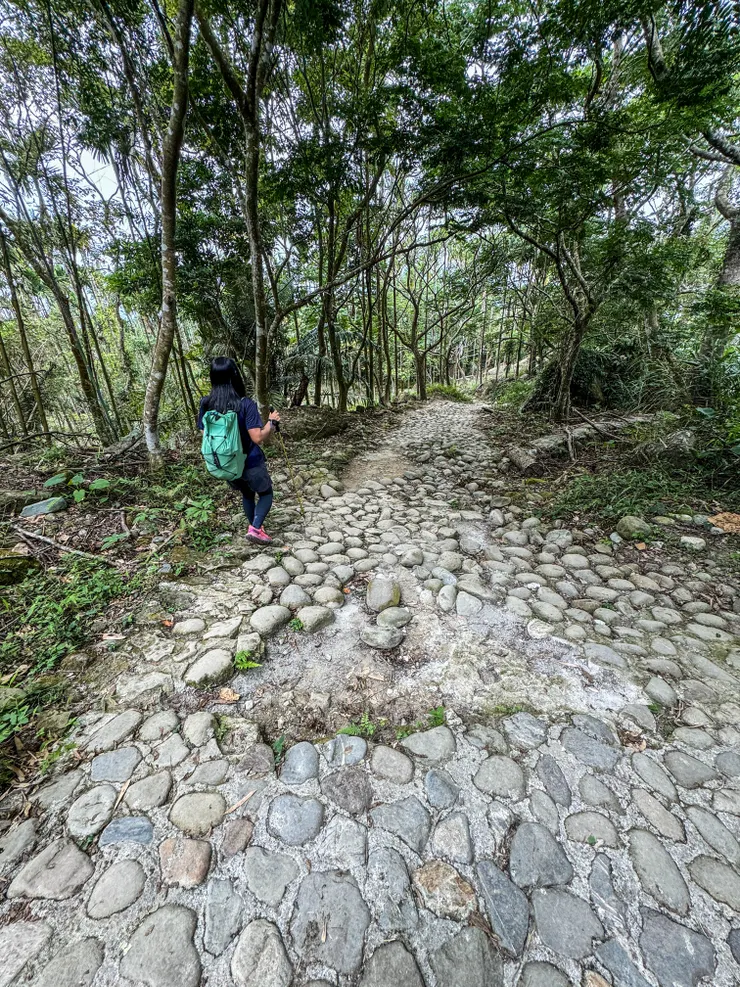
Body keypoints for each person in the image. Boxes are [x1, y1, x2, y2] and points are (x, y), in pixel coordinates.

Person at [197, 356, 280, 544]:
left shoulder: (206, 403)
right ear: (235, 375)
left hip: (226, 463)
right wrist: (271, 422)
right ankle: (256, 528)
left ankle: (254, 528)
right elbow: (257, 437)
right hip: (250, 460)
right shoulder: (245, 404)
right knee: (266, 493)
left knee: (247, 494)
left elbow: (204, 432)